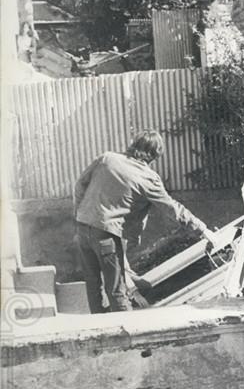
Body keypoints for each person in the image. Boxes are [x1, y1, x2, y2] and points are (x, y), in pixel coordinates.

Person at [73, 130, 218, 313]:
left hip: (82, 231)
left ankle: (100, 333)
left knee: (94, 287)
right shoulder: (148, 178)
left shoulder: (106, 158)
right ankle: (128, 337)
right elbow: (173, 209)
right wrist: (203, 230)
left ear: (133, 145)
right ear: (155, 155)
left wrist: (80, 215)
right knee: (117, 292)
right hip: (106, 237)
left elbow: (79, 185)